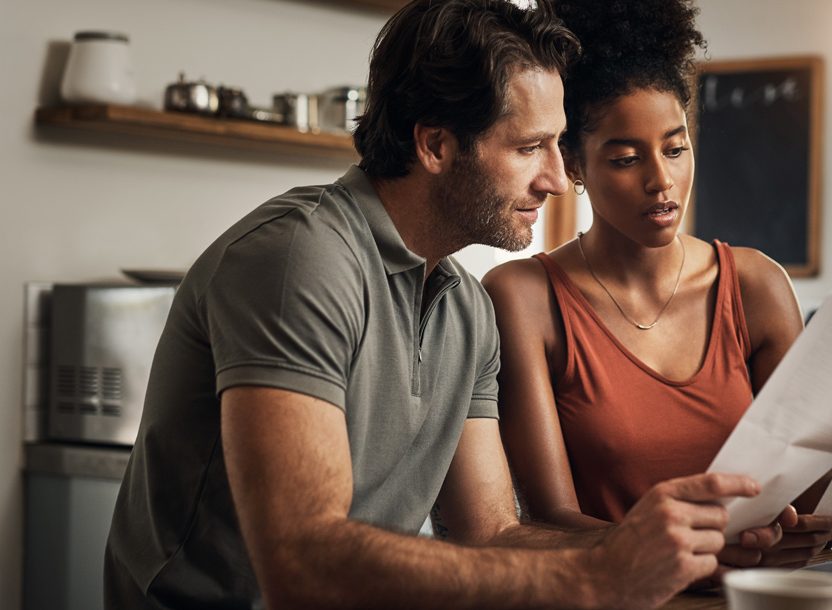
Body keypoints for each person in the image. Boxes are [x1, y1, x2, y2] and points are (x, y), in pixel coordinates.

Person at [103, 2, 782, 608]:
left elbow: (491, 533)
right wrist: (592, 580)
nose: (554, 177)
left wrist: (638, 546)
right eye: (528, 148)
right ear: (435, 145)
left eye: (556, 145)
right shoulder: (301, 260)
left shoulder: (463, 307)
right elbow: (300, 564)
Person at [482, 0, 832, 574]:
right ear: (574, 165)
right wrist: (708, 554)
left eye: (676, 148)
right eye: (626, 158)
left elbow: (814, 506)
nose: (661, 180)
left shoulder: (755, 284)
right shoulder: (524, 296)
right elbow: (547, 520)